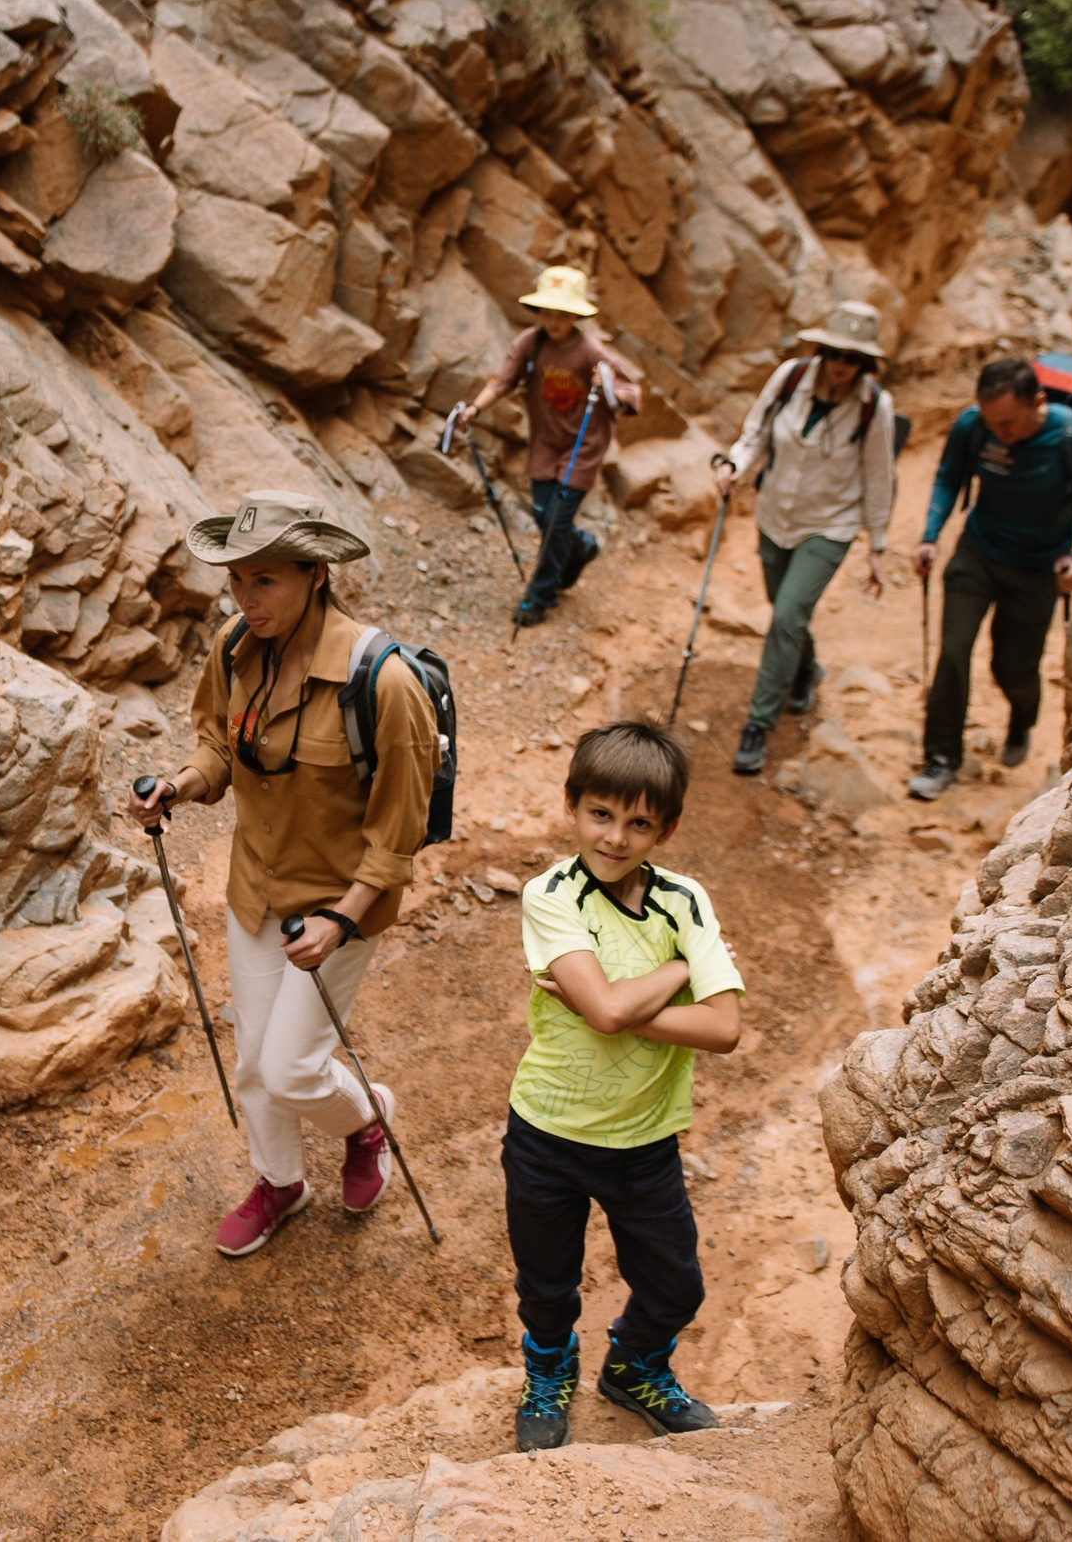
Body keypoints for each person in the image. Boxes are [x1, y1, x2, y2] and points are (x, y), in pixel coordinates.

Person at [128, 491, 437, 1258]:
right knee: (253, 1062)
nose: (245, 598)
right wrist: (181, 784)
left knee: (292, 1068)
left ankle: (368, 1121)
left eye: (264, 580)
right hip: (255, 890)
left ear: (317, 573)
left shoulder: (386, 682)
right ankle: (281, 1181)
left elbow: (401, 831)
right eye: (237, 580)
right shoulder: (236, 646)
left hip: (339, 902)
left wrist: (343, 917)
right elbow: (215, 744)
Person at [507, 722, 743, 1452]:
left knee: (677, 1286)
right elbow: (606, 1011)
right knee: (547, 1284)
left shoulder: (685, 899)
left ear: (665, 827)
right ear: (574, 805)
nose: (615, 836)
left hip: (644, 1141)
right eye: (601, 813)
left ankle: (634, 1366)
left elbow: (726, 1028)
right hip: (547, 1129)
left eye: (639, 822)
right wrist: (681, 974)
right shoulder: (551, 893)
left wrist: (620, 1001)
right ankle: (549, 1372)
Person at [908, 356, 1072, 801]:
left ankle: (1022, 716)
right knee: (953, 653)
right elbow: (949, 478)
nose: (1000, 432)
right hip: (977, 554)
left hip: (1038, 569)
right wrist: (929, 536)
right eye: (991, 422)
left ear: (1038, 402)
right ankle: (941, 757)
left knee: (1013, 668)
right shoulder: (974, 426)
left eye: (1009, 423)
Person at [711, 302, 896, 776]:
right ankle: (806, 668)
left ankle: (758, 724)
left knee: (788, 614)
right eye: (835, 352)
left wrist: (877, 546)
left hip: (829, 526)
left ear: (865, 364)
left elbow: (879, 476)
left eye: (853, 358)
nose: (841, 365)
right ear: (823, 349)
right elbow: (756, 431)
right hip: (775, 515)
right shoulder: (791, 378)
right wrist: (735, 465)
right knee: (784, 610)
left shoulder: (875, 407)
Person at [452, 264, 643, 628]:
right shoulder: (531, 342)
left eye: (562, 315)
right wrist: (475, 408)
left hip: (583, 447)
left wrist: (606, 388)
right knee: (544, 515)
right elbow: (502, 380)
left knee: (555, 520)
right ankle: (582, 545)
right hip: (544, 444)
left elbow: (629, 393)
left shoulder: (590, 351)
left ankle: (540, 597)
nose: (553, 321)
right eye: (547, 313)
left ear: (575, 315)